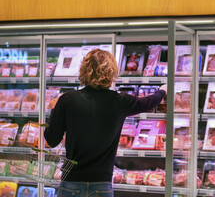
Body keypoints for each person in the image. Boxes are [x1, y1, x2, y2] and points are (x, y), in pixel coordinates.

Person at [44, 49, 167, 197]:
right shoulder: (119, 101)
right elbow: (148, 102)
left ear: (84, 70)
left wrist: (53, 110)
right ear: (111, 72)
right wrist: (162, 91)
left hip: (71, 183)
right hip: (101, 185)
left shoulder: (67, 100)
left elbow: (51, 140)